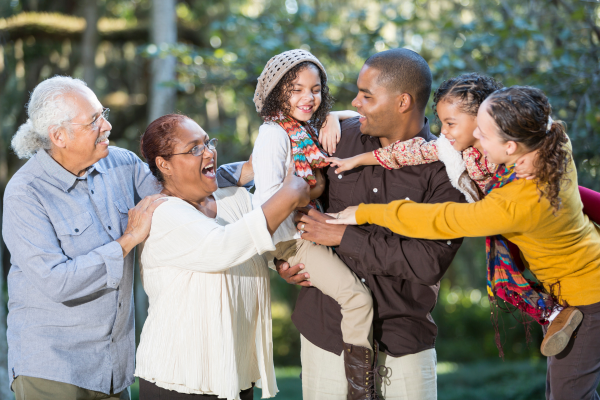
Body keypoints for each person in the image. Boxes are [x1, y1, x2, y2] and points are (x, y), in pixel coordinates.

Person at [330, 86, 600, 400]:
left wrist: (366, 212)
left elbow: (441, 218)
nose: (477, 139)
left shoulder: (515, 203)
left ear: (511, 146)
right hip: (573, 287)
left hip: (587, 297)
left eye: (483, 135)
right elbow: (546, 120)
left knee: (570, 396)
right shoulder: (555, 145)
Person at [2, 76, 251, 400]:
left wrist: (239, 172)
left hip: (114, 368)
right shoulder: (25, 193)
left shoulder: (121, 163)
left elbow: (177, 185)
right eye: (93, 120)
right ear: (59, 136)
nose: (106, 124)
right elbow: (56, 281)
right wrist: (127, 240)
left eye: (102, 112)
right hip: (52, 370)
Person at [277, 48, 465, 399]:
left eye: (366, 95)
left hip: (403, 342)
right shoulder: (337, 140)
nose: (356, 102)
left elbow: (428, 263)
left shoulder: (448, 169)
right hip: (326, 335)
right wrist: (283, 261)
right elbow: (287, 202)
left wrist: (341, 236)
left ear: (403, 102)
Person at [134, 114, 310, 400]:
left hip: (234, 372)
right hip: (179, 379)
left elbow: (257, 242)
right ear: (164, 164)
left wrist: (278, 263)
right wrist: (289, 192)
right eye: (194, 149)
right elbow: (222, 247)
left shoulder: (234, 197)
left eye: (207, 143)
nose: (209, 152)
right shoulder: (163, 212)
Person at [251, 49, 378, 399]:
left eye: (316, 89)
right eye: (296, 89)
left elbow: (354, 113)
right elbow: (268, 200)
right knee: (356, 298)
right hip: (292, 238)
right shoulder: (274, 135)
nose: (308, 98)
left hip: (306, 228)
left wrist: (333, 116)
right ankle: (360, 392)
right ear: (277, 92)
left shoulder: (303, 127)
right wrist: (313, 191)